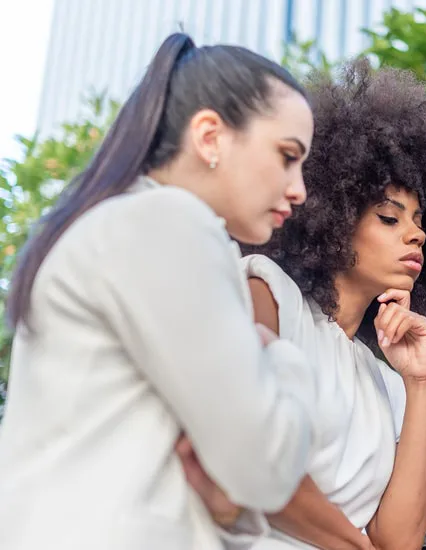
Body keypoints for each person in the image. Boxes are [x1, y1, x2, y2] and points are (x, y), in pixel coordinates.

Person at [0, 33, 319, 550]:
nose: (299, 188)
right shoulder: (168, 222)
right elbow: (266, 467)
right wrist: (286, 362)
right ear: (210, 136)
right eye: (287, 156)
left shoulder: (123, 222)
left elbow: (232, 486)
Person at [179, 59, 426, 549]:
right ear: (335, 216)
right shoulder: (269, 295)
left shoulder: (384, 380)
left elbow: (399, 541)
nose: (416, 233)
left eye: (420, 220)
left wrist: (421, 383)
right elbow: (242, 454)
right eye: (389, 217)